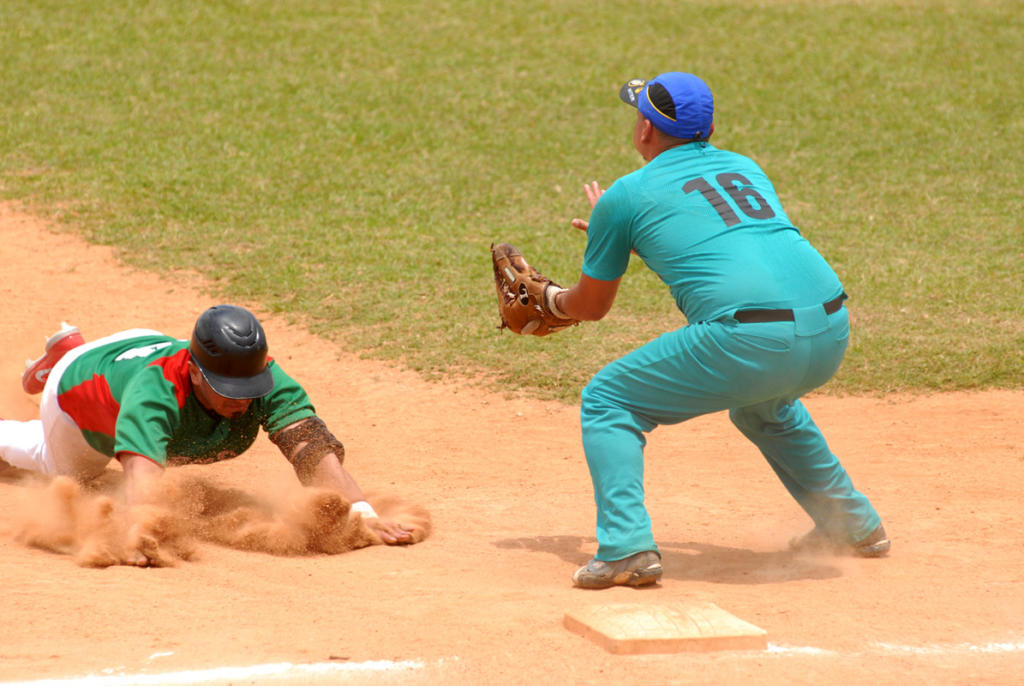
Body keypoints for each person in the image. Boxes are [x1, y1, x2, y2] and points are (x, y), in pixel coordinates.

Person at [552, 72, 888, 589]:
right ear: (708, 127)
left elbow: (590, 308)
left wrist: (553, 301)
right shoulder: (744, 168)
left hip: (751, 340)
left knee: (608, 399)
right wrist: (623, 234)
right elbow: (715, 240)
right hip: (831, 328)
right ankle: (852, 524)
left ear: (644, 130)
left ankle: (624, 548)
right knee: (763, 407)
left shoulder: (624, 196)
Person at [0, 305, 416, 562]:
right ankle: (59, 362)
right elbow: (143, 483)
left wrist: (362, 512)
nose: (242, 401)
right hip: (78, 390)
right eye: (228, 390)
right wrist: (139, 532)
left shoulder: (264, 377)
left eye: (248, 388)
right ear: (195, 373)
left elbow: (310, 450)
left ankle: (69, 349)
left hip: (134, 348)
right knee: (60, 468)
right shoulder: (154, 395)